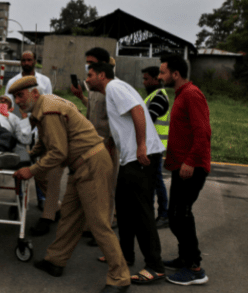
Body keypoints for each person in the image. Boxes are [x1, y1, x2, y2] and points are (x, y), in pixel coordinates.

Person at [10, 76, 131, 293]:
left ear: (34, 94)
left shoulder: (48, 110)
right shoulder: (45, 105)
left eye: (20, 95)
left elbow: (58, 151)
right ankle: (55, 261)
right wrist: (29, 155)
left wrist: (32, 170)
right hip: (82, 165)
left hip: (91, 163)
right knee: (69, 215)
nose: (17, 101)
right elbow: (45, 140)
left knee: (99, 224)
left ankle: (120, 277)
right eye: (15, 96)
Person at [86, 62, 167, 285]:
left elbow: (138, 111)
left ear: (102, 75)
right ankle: (125, 254)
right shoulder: (114, 89)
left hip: (140, 157)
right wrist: (113, 140)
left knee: (141, 212)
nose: (87, 79)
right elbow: (123, 120)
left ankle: (155, 266)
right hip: (130, 158)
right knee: (124, 207)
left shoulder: (114, 88)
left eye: (90, 75)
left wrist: (141, 145)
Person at [158, 54, 211, 286]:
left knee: (181, 215)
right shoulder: (181, 94)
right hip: (182, 167)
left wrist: (190, 161)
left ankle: (195, 268)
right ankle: (184, 258)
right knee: (175, 215)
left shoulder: (191, 94)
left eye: (162, 72)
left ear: (175, 74)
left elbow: (203, 133)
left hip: (192, 167)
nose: (160, 77)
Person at [5, 51, 60, 226]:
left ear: (35, 61)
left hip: (40, 130)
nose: (26, 62)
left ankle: (43, 198)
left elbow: (50, 103)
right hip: (20, 129)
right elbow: (7, 105)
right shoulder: (12, 82)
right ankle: (18, 198)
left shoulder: (44, 81)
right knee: (21, 164)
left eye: (30, 59)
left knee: (40, 167)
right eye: (23, 60)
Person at [71, 47, 118, 243]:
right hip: (92, 144)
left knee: (106, 190)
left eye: (91, 62)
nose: (87, 65)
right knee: (92, 187)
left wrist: (110, 144)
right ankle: (90, 226)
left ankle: (103, 233)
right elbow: (92, 111)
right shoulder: (93, 86)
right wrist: (80, 96)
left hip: (108, 145)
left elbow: (116, 119)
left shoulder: (112, 88)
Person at [141, 66, 171, 229]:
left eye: (146, 79)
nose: (144, 82)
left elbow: (148, 120)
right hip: (152, 145)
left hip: (154, 145)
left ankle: (164, 214)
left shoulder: (159, 97)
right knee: (153, 180)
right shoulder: (154, 95)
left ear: (155, 80)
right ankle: (154, 213)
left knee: (155, 181)